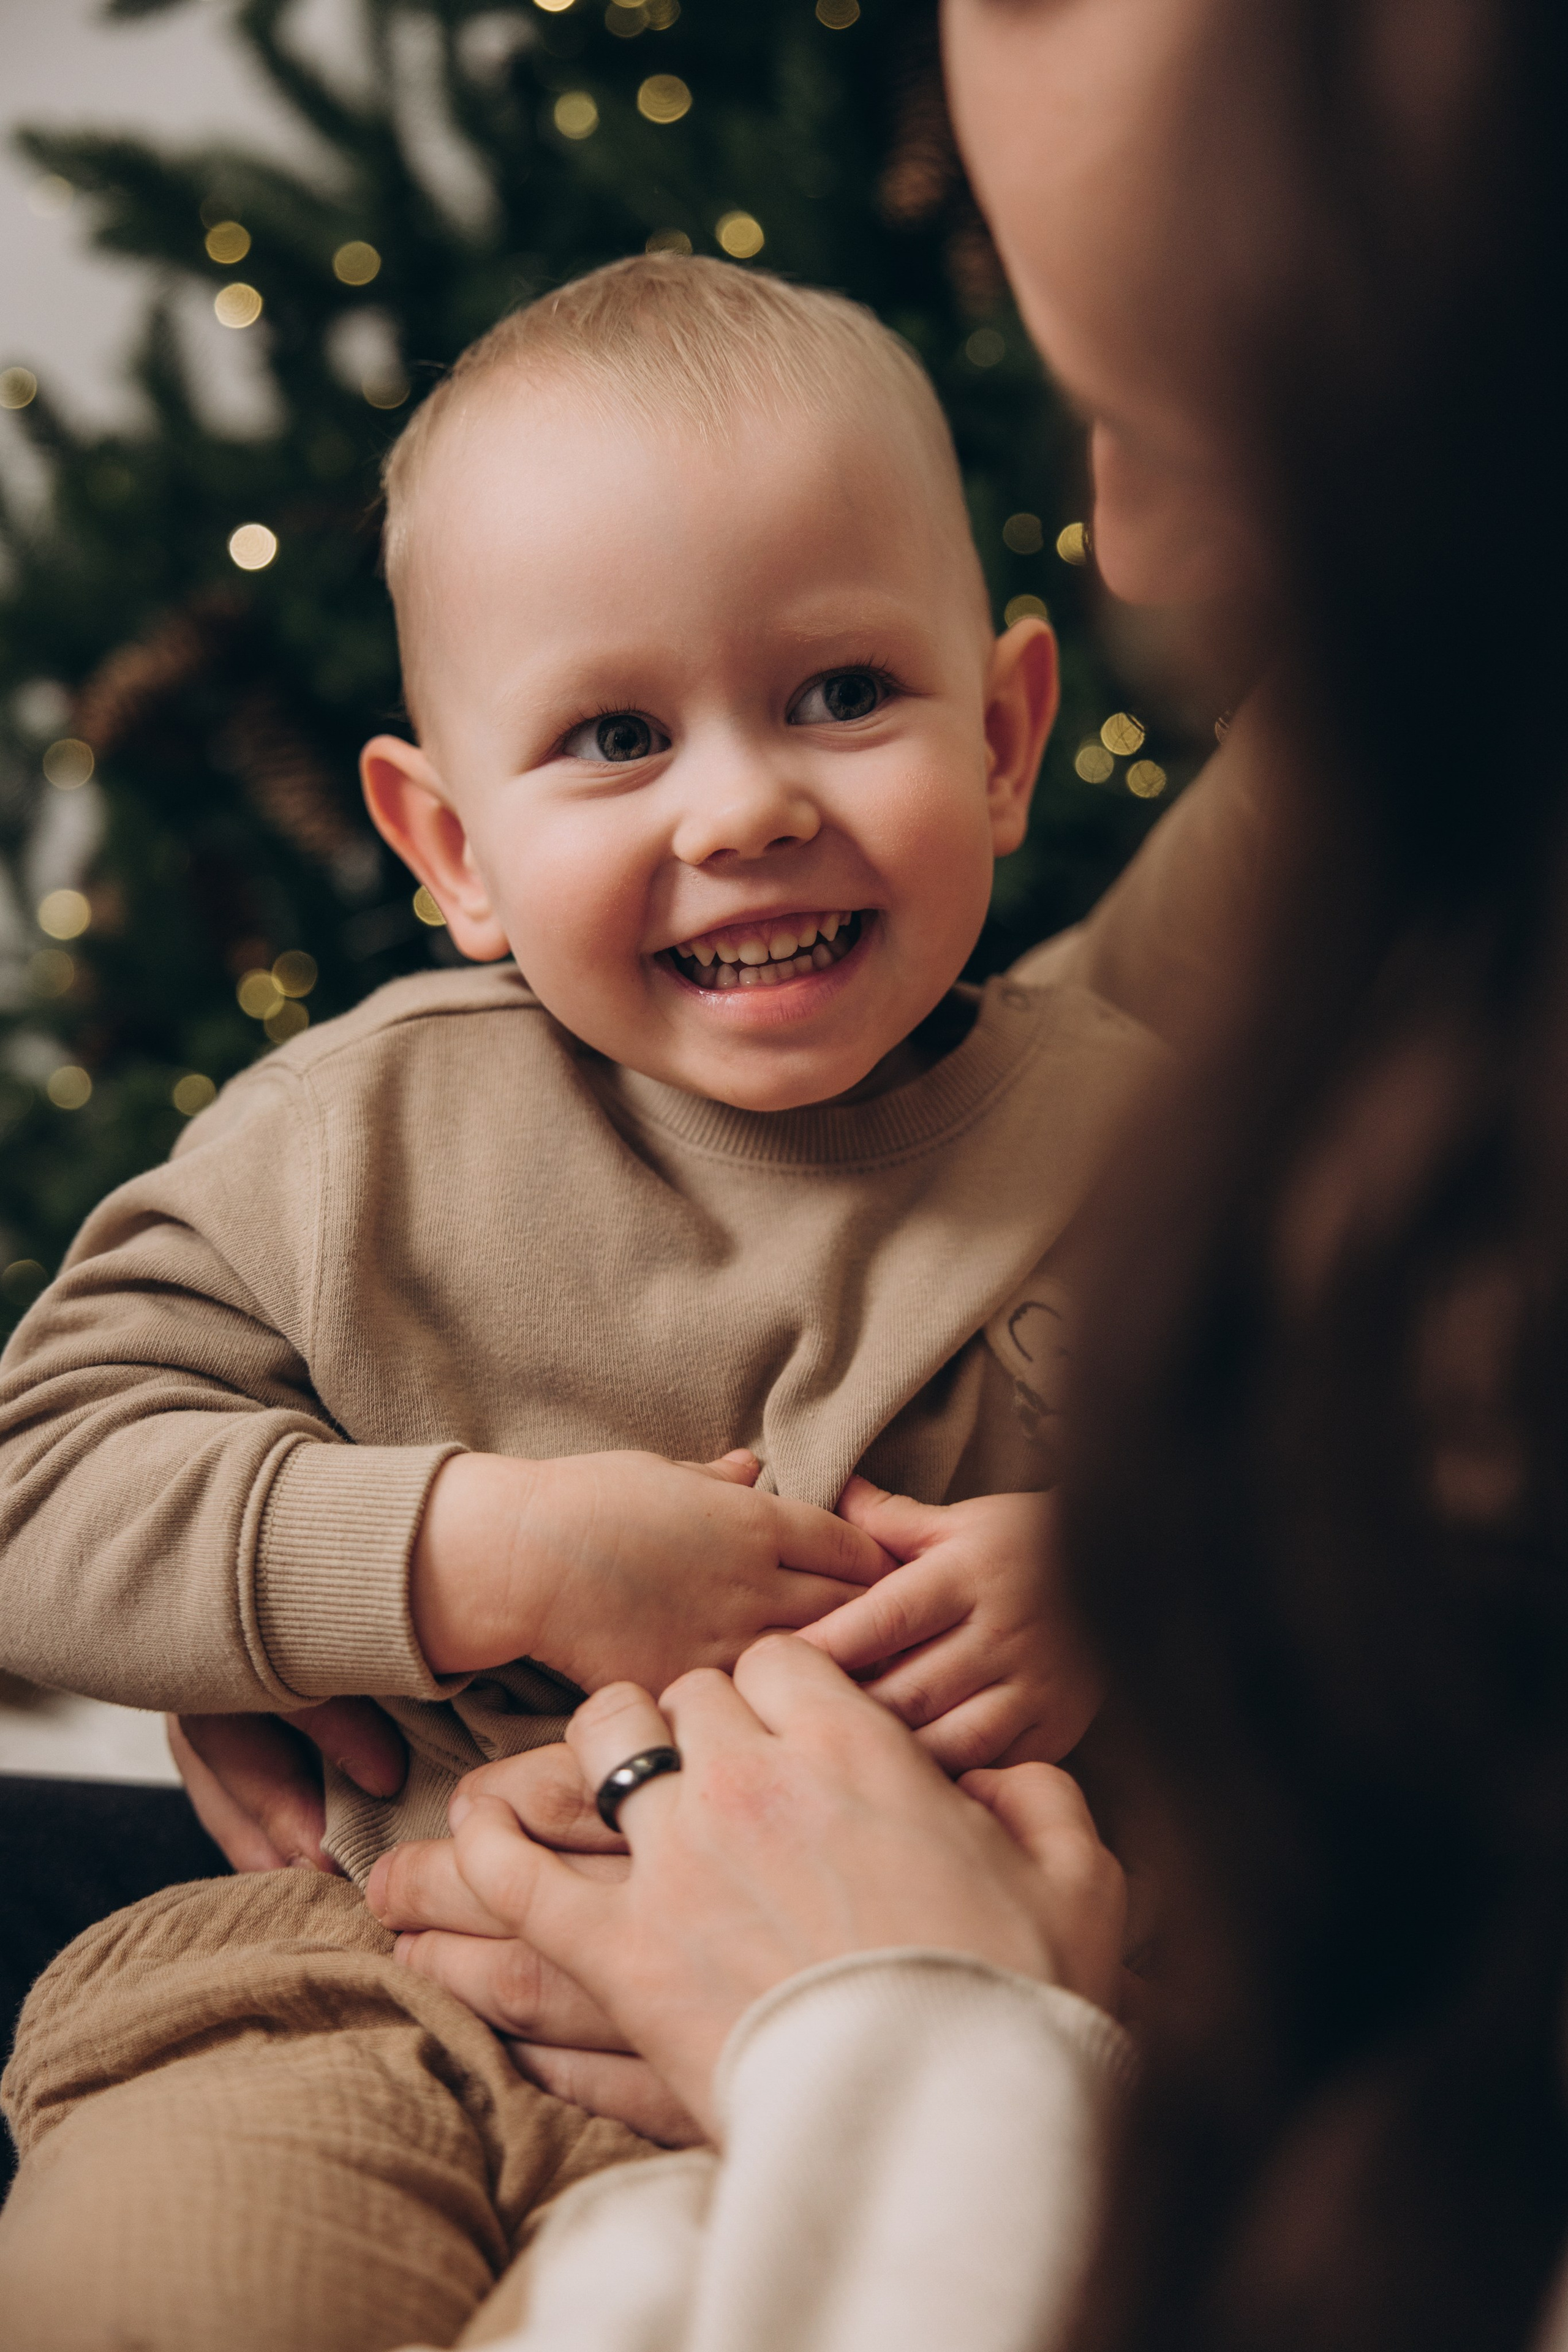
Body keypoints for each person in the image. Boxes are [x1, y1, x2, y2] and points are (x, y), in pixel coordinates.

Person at [312, 1, 1568, 2348]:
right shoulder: (1407, 743)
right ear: (441, 841)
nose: (1136, 542)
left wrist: (908, 2022)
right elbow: (1047, 1083)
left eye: (1236, 405)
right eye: (1081, 376)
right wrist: (340, 1537)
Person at [0, 256, 1159, 2348]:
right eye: (617, 736)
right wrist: (471, 1551)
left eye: (840, 696)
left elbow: (1442, 1522)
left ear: (1003, 738)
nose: (747, 806)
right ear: (449, 841)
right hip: (377, 1983)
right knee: (167, 2281)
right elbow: (36, 1491)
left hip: (974, 2040)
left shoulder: (1163, 1147)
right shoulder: (357, 1135)